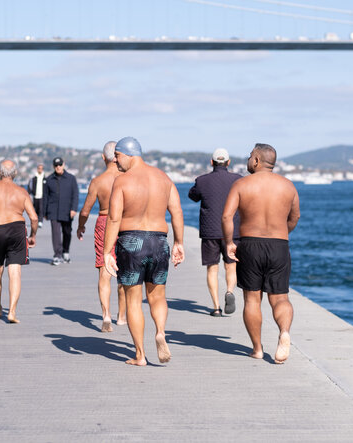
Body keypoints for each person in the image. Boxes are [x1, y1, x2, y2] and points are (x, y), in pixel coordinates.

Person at [103, 137, 185, 366]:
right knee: (157, 296)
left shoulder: (122, 181)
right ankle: (160, 331)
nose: (116, 160)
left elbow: (114, 218)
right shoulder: (164, 178)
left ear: (128, 154)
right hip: (159, 242)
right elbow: (177, 212)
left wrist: (107, 251)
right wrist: (178, 242)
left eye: (117, 155)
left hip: (132, 243)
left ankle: (140, 355)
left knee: (133, 300)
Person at [223, 144, 300, 364]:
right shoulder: (288, 186)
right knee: (280, 298)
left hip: (250, 245)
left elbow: (227, 217)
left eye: (249, 157)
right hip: (279, 245)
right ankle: (284, 331)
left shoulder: (241, 184)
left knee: (252, 299)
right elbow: (295, 217)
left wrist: (229, 243)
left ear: (256, 161)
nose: (248, 160)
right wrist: (282, 234)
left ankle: (257, 349)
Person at [0, 160, 38, 324]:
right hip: (17, 230)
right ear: (15, 173)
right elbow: (34, 217)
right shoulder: (22, 192)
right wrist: (32, 235)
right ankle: (11, 311)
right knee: (15, 272)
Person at [77, 141, 127, 332]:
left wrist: (81, 227)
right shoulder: (127, 177)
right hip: (124, 222)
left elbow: (85, 210)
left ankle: (106, 315)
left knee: (104, 271)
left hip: (104, 222)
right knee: (123, 271)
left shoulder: (98, 181)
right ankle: (121, 317)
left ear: (103, 157)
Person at [188, 148, 242, 317]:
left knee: (212, 269)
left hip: (210, 231)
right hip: (231, 232)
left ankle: (216, 307)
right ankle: (230, 291)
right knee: (231, 266)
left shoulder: (202, 181)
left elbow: (193, 196)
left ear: (212, 162)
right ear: (228, 162)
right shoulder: (238, 180)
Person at [45, 157, 78, 266]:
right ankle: (57, 255)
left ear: (63, 165)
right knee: (56, 233)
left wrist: (74, 209)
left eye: (60, 165)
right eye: (56, 165)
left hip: (67, 211)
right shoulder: (49, 179)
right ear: (53, 166)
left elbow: (75, 195)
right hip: (53, 210)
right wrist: (45, 212)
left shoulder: (71, 178)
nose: (58, 167)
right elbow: (45, 197)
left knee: (67, 232)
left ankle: (66, 252)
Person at [28, 163, 47, 228]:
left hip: (42, 196)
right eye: (39, 168)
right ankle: (37, 220)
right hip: (35, 196)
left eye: (41, 168)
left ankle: (40, 221)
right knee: (36, 209)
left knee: (41, 209)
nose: (40, 170)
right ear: (37, 169)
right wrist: (29, 194)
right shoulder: (33, 178)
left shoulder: (45, 178)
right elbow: (30, 187)